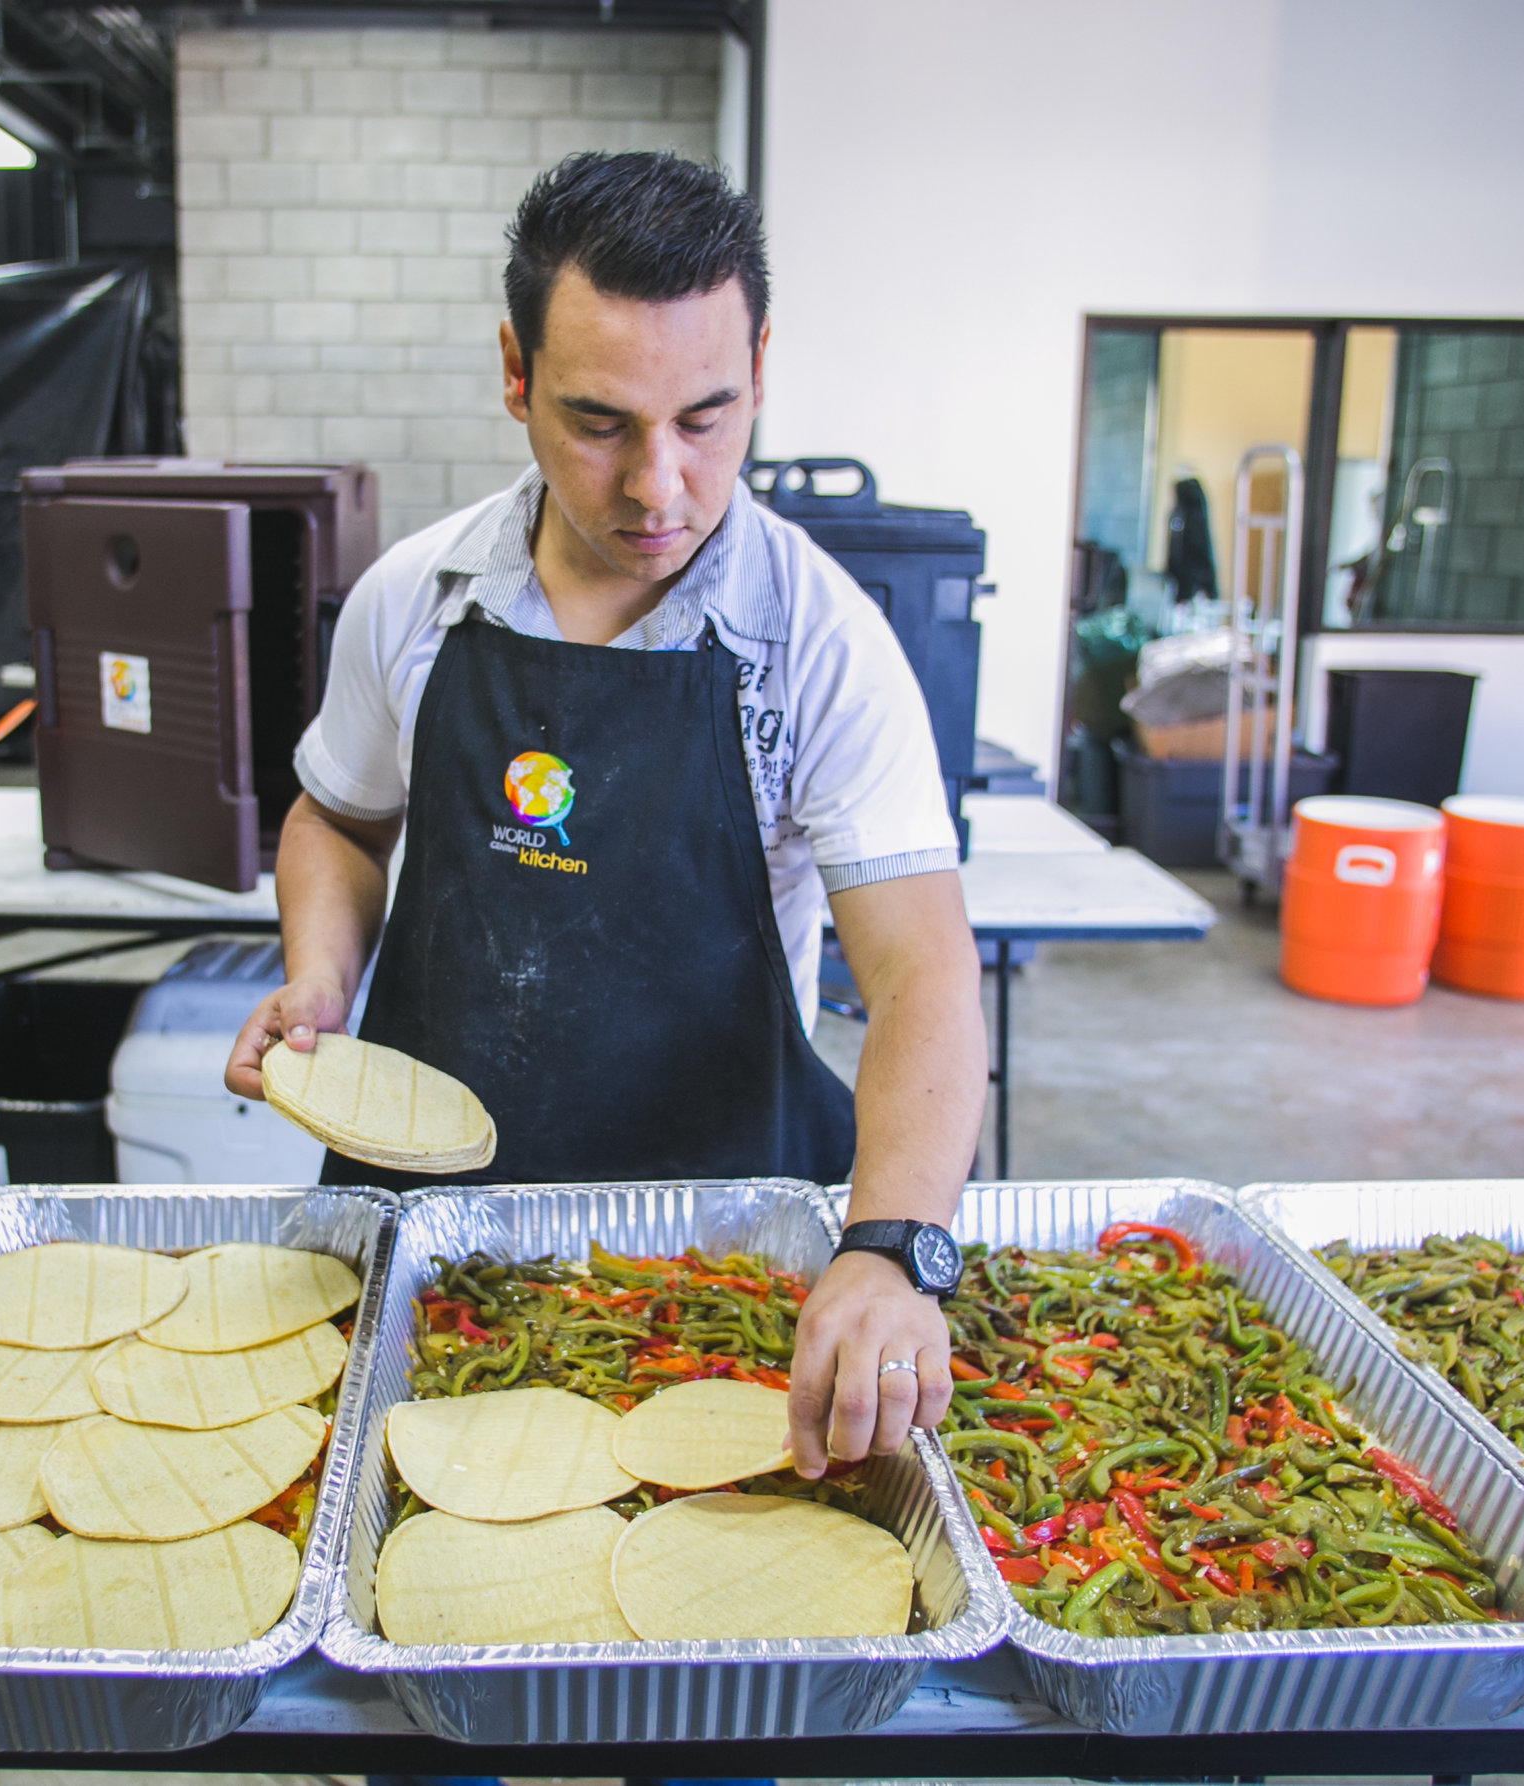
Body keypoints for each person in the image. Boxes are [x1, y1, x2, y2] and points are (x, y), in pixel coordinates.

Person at [226, 150, 986, 1478]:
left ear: (760, 362)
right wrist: (318, 976)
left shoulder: (818, 642)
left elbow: (922, 970)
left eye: (705, 418)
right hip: (423, 1234)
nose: (660, 487)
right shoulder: (419, 599)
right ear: (514, 374)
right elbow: (338, 820)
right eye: (599, 423)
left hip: (712, 1264)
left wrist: (889, 1247)